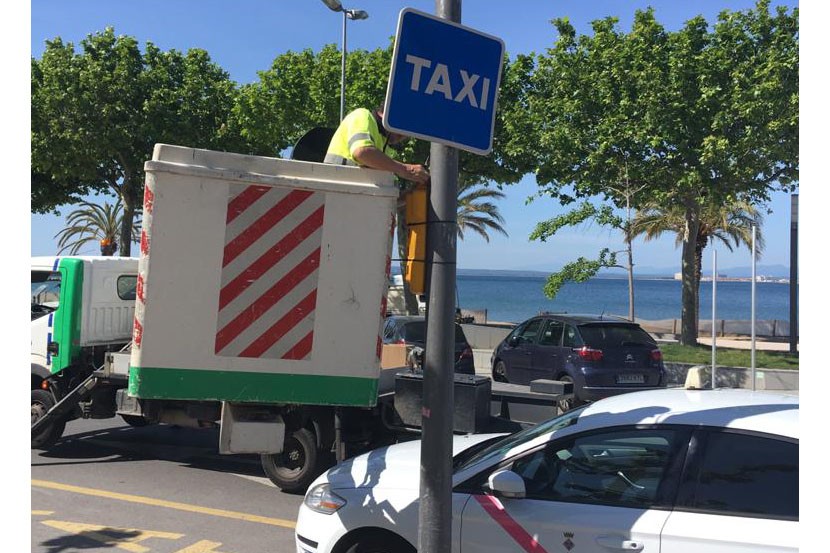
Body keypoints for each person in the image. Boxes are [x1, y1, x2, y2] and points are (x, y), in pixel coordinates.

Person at [324, 107, 430, 187]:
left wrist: (407, 197)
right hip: (335, 192)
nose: (404, 135)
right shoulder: (362, 115)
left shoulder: (383, 147)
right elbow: (362, 152)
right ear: (390, 113)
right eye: (404, 127)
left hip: (347, 196)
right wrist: (406, 169)